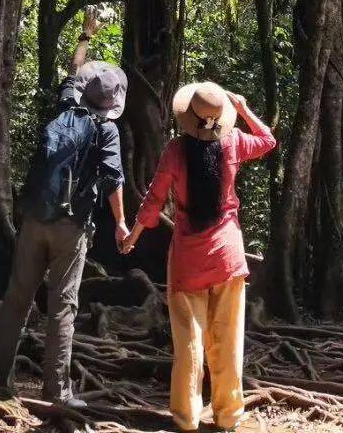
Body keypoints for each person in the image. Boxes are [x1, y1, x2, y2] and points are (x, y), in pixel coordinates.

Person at [0, 10, 128, 404]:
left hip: (35, 218)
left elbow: (75, 67)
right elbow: (114, 179)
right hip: (71, 228)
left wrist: (87, 33)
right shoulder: (107, 129)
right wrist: (120, 223)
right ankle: (58, 391)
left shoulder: (67, 106)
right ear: (113, 102)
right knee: (62, 307)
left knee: (17, 297)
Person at [121, 82, 276, 433]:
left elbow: (153, 200)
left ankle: (187, 418)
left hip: (189, 261)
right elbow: (268, 140)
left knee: (189, 345)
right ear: (222, 116)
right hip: (228, 257)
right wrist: (245, 107)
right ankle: (228, 417)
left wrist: (133, 236)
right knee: (228, 342)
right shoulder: (235, 141)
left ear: (188, 118)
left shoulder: (175, 150)